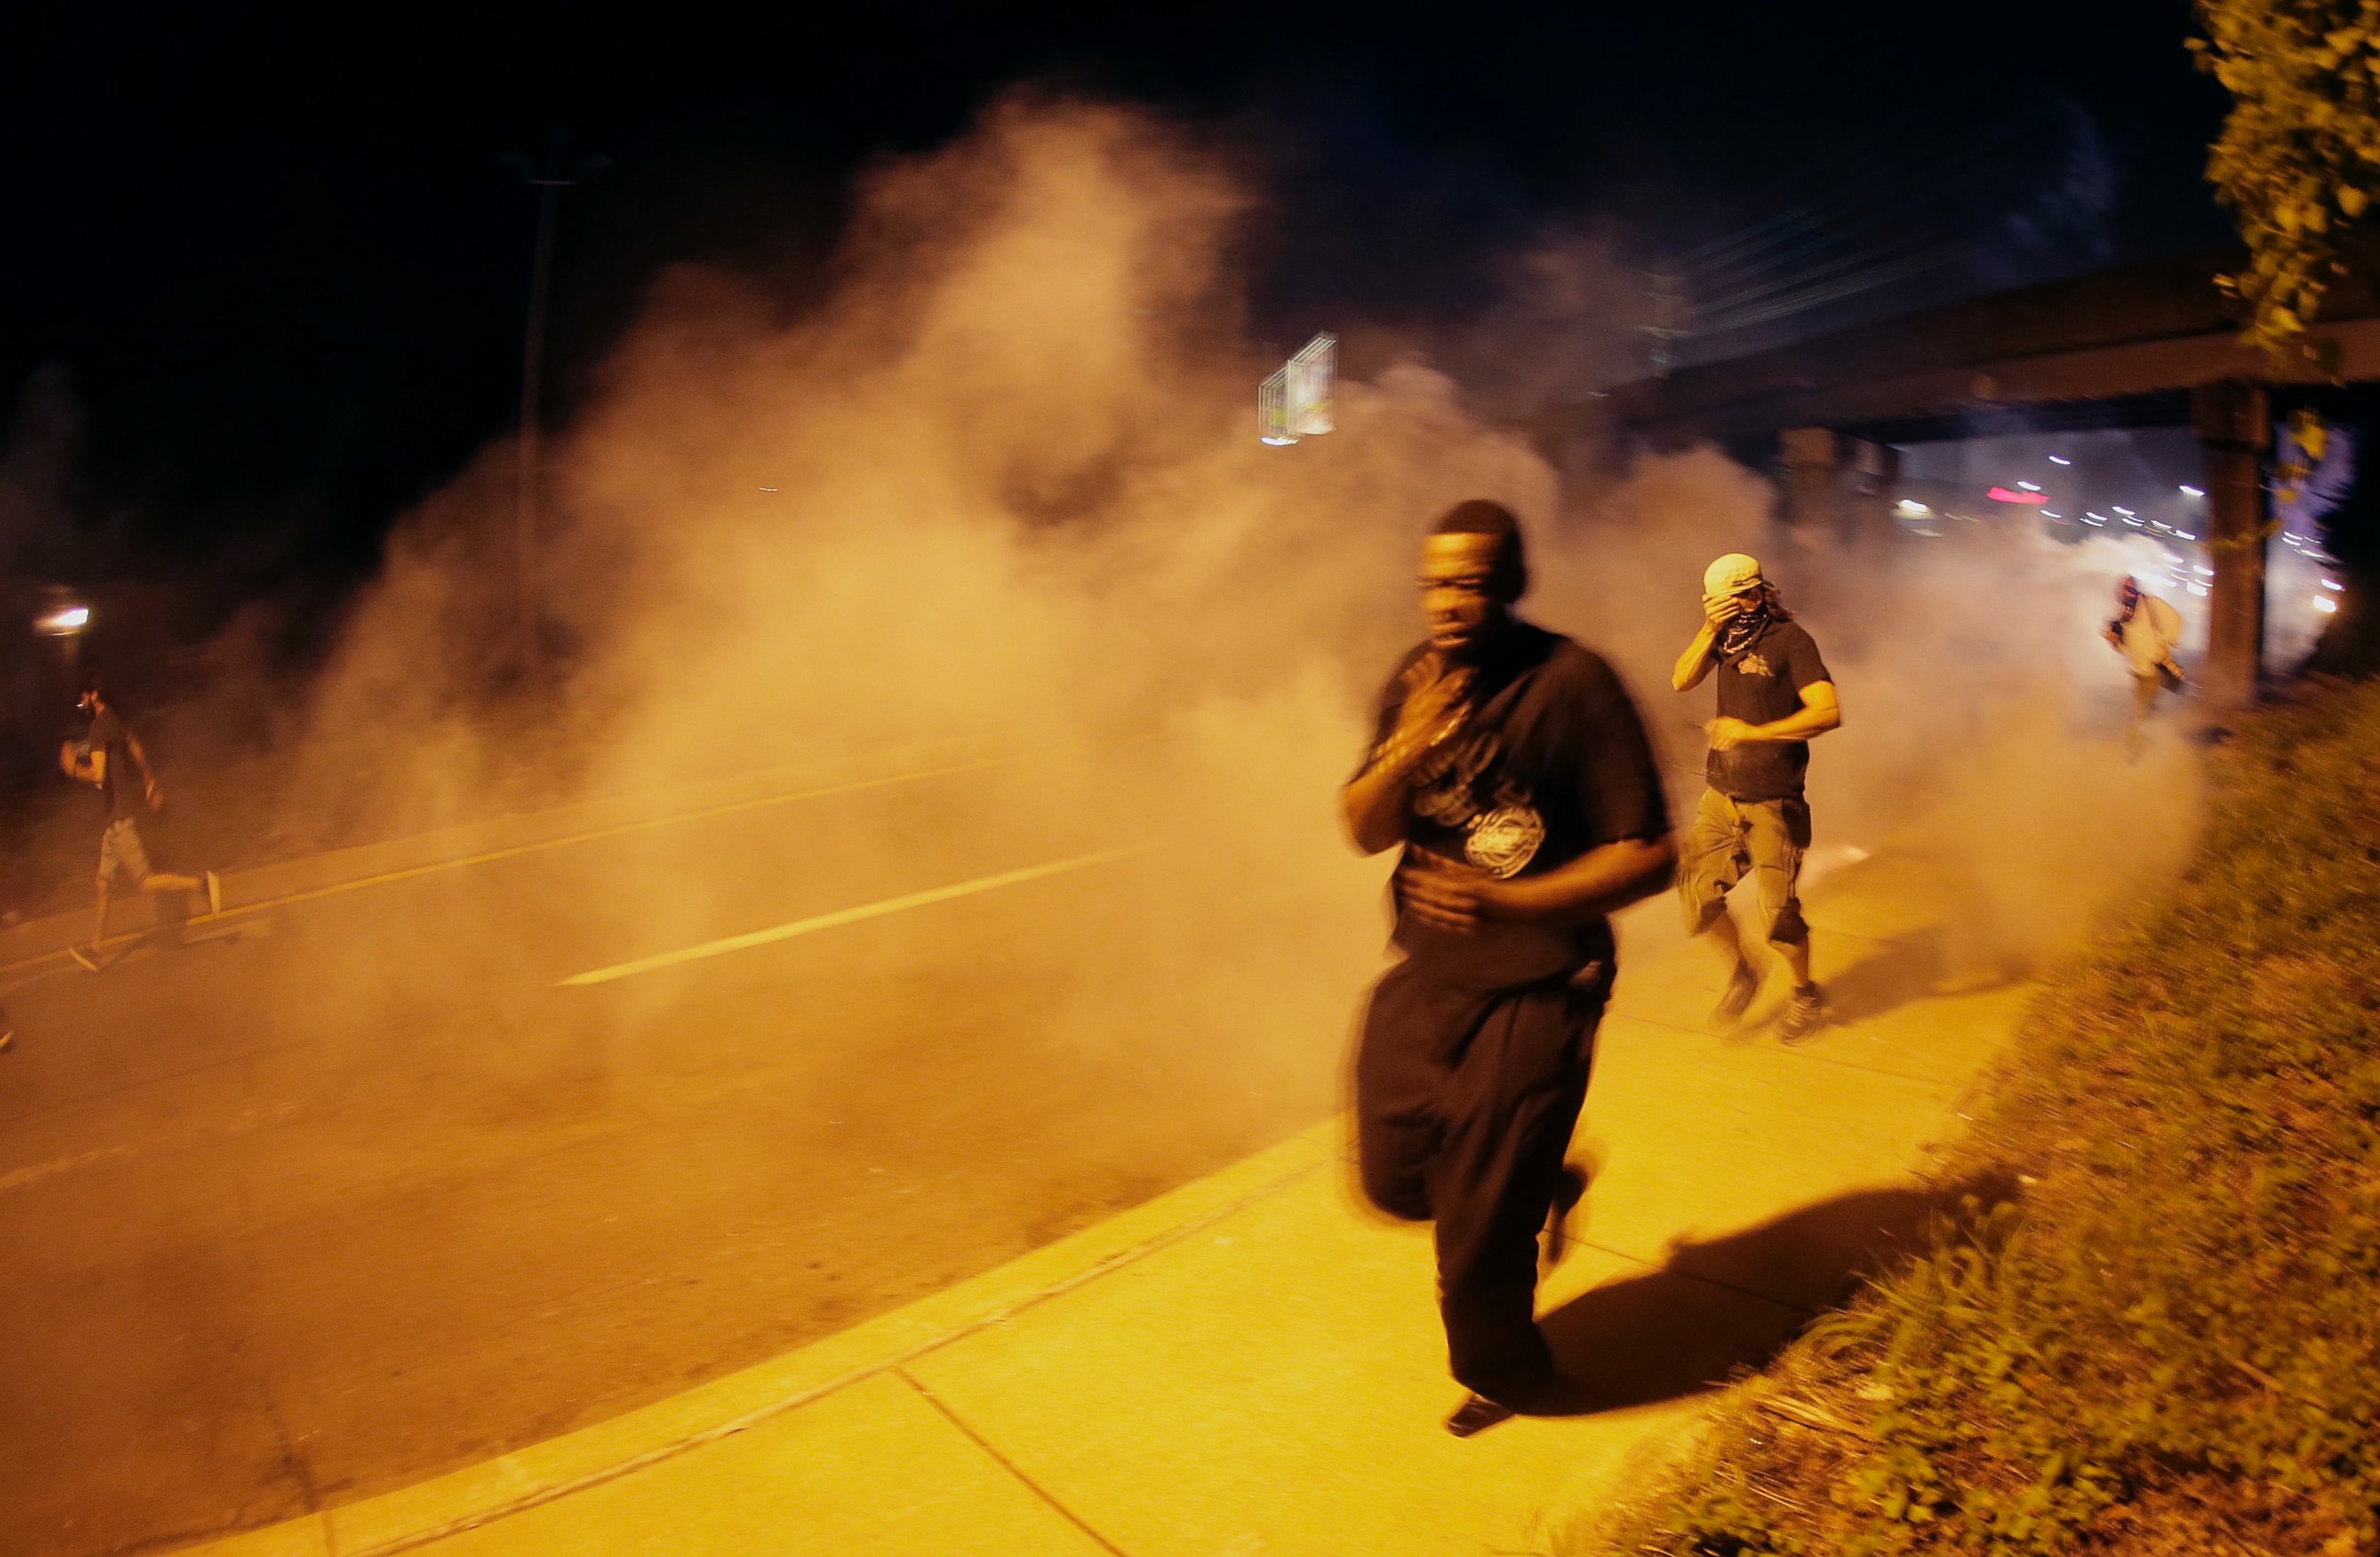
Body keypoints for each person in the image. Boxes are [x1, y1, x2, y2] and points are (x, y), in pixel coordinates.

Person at [1342, 499, 1677, 1438]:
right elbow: (1362, 830)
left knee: (1478, 1235)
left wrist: (1509, 902)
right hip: (1430, 975)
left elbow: (1649, 853)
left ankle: (1509, 1368)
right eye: (1434, 583)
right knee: (1391, 1178)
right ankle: (1542, 1181)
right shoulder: (1413, 684)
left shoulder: (1573, 684)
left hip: (1543, 983)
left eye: (1471, 582)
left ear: (1514, 583)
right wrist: (1408, 745)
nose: (1447, 601)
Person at [1671, 553, 1841, 1043]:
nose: (1741, 606)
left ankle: (1805, 991)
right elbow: (1681, 679)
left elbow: (1828, 712)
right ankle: (1745, 971)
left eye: (1746, 594)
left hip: (1774, 801)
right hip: (1721, 795)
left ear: (1760, 590)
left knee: (1779, 918)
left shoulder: (1791, 641)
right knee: (1697, 895)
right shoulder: (1721, 638)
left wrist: (1754, 732)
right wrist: (1707, 630)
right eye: (1726, 601)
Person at [60, 680, 220, 968]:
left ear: (95, 694)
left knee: (145, 883)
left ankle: (201, 884)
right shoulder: (114, 721)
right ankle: (95, 951)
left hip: (120, 820)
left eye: (83, 696)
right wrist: (149, 780)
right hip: (113, 823)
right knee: (102, 884)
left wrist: (73, 769)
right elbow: (135, 746)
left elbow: (97, 775)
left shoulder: (99, 727)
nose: (81, 701)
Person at [2105, 575, 2184, 755]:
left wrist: (2167, 642)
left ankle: (2134, 750)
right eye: (2123, 589)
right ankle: (2155, 736)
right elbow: (2126, 648)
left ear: (2135, 590)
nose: (2127, 593)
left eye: (2130, 589)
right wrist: (2114, 641)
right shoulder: (2124, 614)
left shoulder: (2151, 603)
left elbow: (2176, 619)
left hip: (2154, 665)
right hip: (2138, 669)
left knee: (2141, 709)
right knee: (2144, 706)